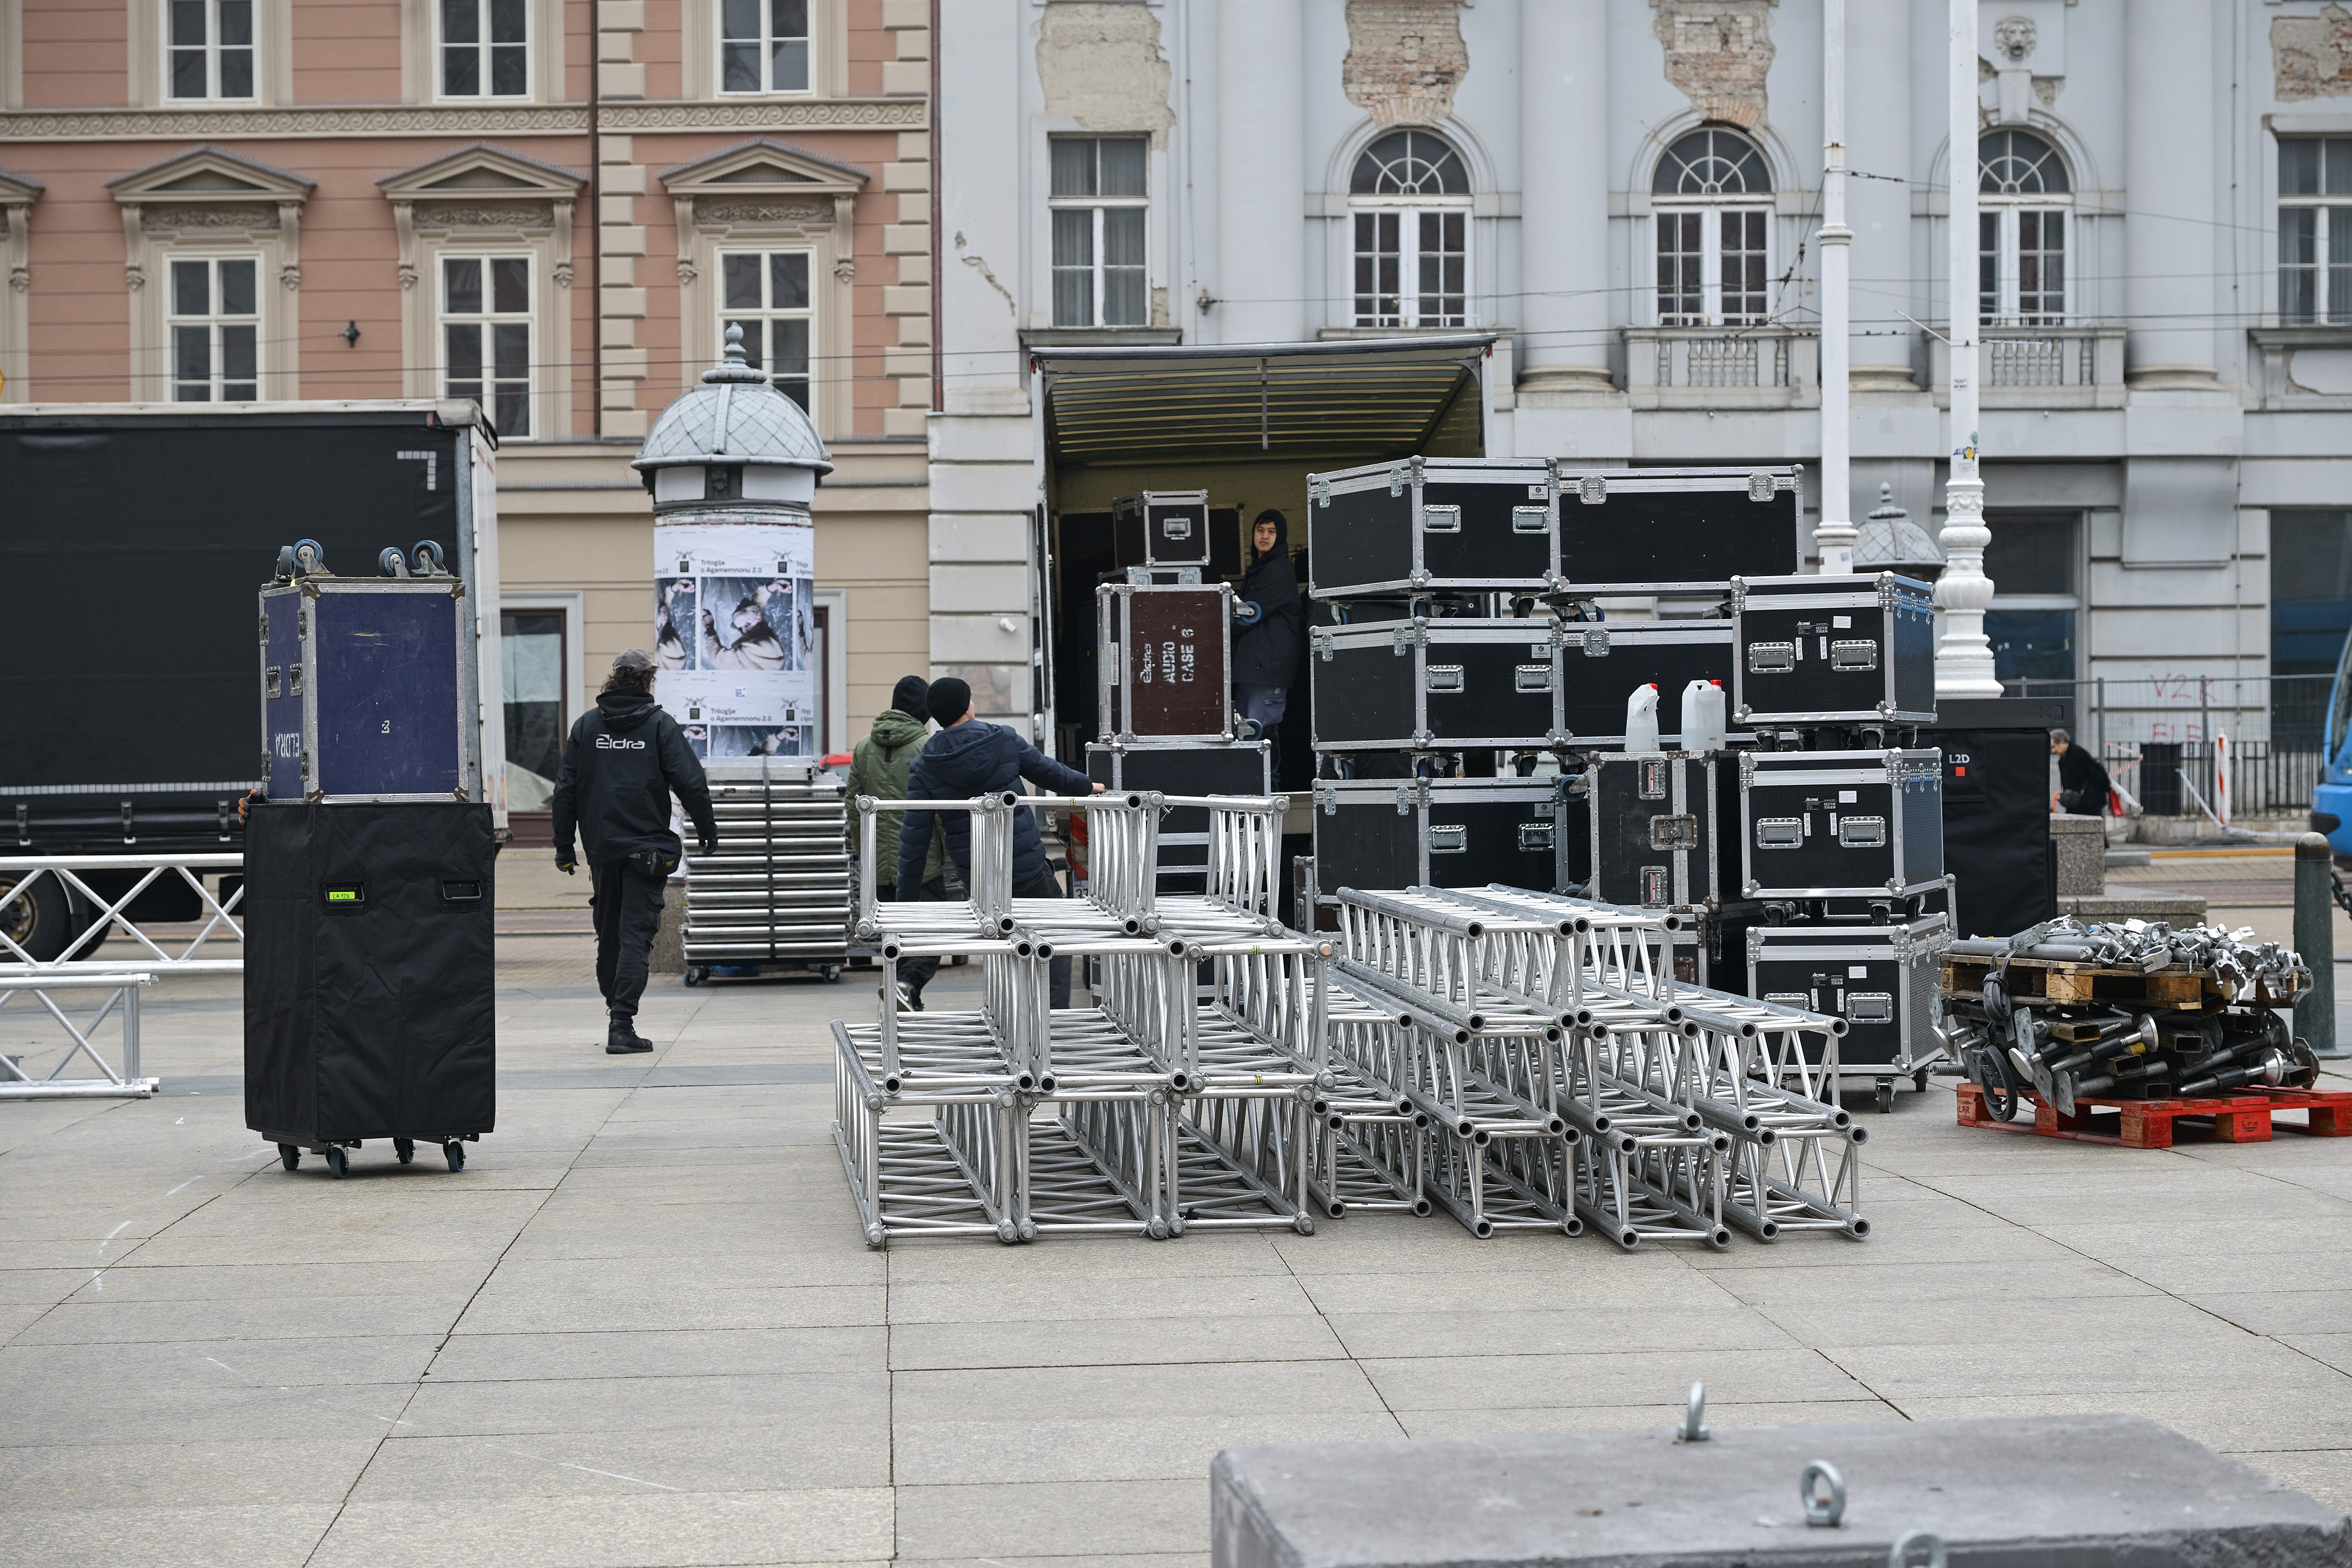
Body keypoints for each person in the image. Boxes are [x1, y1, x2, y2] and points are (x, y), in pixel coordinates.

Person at [896, 677, 1103, 1009]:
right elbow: (1050, 774)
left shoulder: (925, 765)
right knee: (1056, 938)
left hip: (978, 878)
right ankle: (1052, 1021)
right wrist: (1089, 787)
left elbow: (913, 841)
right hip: (1027, 869)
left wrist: (903, 909)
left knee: (1004, 946)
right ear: (967, 707)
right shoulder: (1001, 739)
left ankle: (1014, 1023)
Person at [551, 649, 720, 1054]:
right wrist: (707, 828)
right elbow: (691, 782)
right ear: (647, 681)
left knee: (609, 935)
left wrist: (564, 847)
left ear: (614, 679)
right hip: (645, 851)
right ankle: (621, 1023)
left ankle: (616, 1012)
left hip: (603, 849)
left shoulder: (587, 727)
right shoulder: (659, 726)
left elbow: (565, 792)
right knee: (634, 936)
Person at [847, 676, 946, 1009]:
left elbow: (852, 804)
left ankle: (899, 995)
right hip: (922, 862)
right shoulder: (927, 747)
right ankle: (907, 984)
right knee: (934, 933)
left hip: (879, 863)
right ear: (925, 711)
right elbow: (939, 807)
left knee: (895, 935)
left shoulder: (863, 746)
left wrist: (864, 853)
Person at [1231, 508, 1302, 779]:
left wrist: (1217, 630)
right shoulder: (1260, 569)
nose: (1265, 536)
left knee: (1259, 734)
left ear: (1280, 536)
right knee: (1251, 733)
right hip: (1254, 669)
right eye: (1260, 530)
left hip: (1267, 668)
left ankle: (1266, 798)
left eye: (1271, 532)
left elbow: (1249, 614)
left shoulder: (1277, 570)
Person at [2052, 727, 2112, 815]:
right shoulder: (2064, 759)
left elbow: (2096, 772)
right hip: (2077, 802)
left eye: (2054, 747)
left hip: (2089, 802)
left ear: (2062, 743)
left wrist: (2106, 788)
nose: (2053, 751)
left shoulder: (2077, 754)